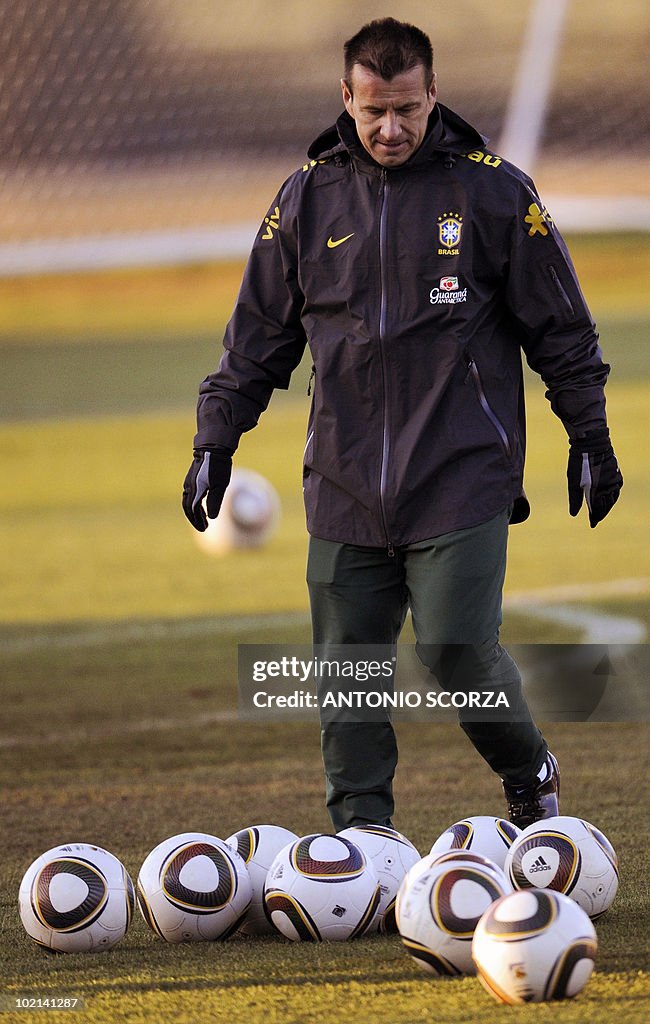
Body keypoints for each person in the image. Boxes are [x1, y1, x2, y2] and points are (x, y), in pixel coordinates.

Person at [182, 18, 622, 832]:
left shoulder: (494, 192)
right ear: (346, 98)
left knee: (457, 652)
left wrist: (588, 434)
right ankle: (362, 842)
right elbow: (257, 338)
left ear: (433, 97)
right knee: (347, 680)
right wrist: (217, 438)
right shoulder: (305, 199)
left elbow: (562, 330)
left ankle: (529, 772)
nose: (391, 129)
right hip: (344, 480)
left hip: (462, 473)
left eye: (408, 110)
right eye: (374, 110)